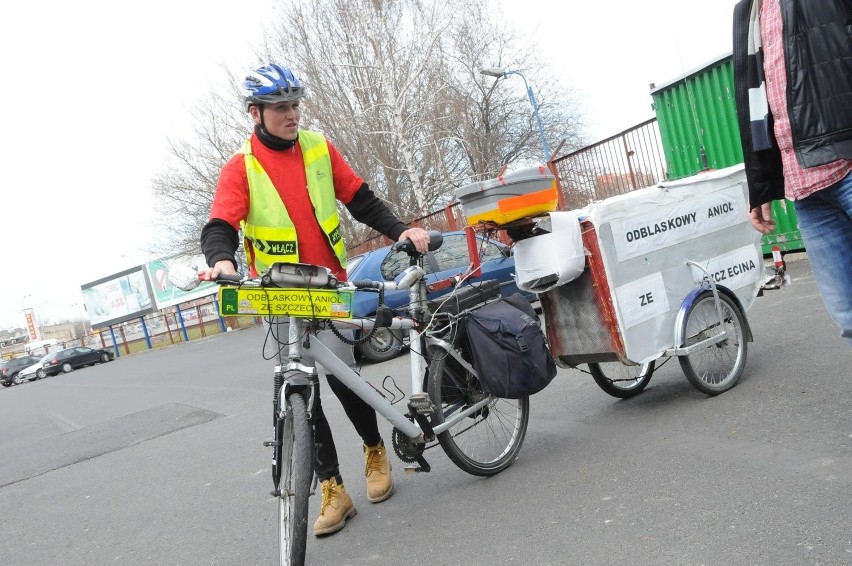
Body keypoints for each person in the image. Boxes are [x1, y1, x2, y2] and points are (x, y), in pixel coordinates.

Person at [200, 63, 430, 536]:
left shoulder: (319, 148)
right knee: (303, 393)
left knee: (347, 379)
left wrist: (399, 228)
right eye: (281, 107)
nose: (292, 114)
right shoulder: (241, 166)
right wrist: (222, 262)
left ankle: (374, 452)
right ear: (255, 114)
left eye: (295, 105)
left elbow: (358, 198)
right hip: (280, 298)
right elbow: (220, 224)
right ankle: (332, 487)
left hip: (331, 286)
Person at [732, 0, 852, 347]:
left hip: (846, 163)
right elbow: (753, 103)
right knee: (848, 320)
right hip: (807, 195)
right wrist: (761, 186)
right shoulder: (747, 11)